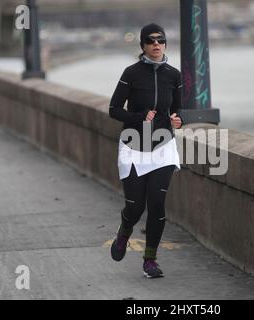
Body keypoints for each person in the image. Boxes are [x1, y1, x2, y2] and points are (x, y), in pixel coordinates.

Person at [108, 23, 183, 278]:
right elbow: (114, 109)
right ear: (142, 46)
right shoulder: (131, 73)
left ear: (165, 43)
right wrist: (140, 117)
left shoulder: (174, 74)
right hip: (133, 146)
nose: (156, 44)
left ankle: (150, 260)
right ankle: (124, 231)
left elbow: (178, 110)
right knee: (136, 207)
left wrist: (178, 120)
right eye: (150, 41)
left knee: (158, 205)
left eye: (160, 40)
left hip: (163, 147)